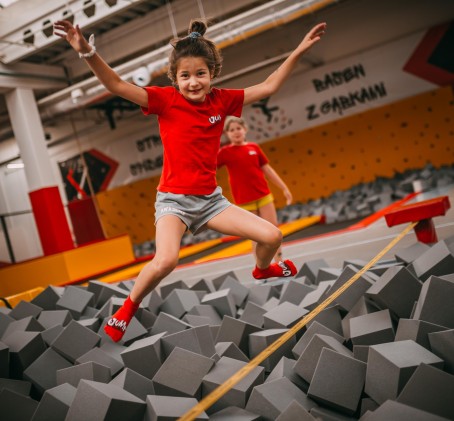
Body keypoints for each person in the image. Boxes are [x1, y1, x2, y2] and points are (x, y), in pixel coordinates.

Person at [54, 18, 326, 342]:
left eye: (200, 74)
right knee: (166, 259)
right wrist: (87, 52)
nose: (193, 82)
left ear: (212, 74)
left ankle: (262, 268)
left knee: (273, 236)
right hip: (173, 201)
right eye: (185, 76)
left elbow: (268, 86)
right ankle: (128, 306)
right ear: (175, 77)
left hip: (211, 202)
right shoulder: (164, 101)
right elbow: (115, 85)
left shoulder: (222, 101)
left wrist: (298, 50)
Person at [218, 116, 293, 262]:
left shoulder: (254, 147)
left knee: (274, 231)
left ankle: (279, 263)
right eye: (231, 130)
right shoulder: (224, 152)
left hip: (264, 196)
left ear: (245, 129)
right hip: (244, 200)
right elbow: (208, 166)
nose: (236, 132)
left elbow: (268, 170)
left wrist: (284, 188)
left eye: (238, 128)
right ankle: (261, 266)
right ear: (227, 134)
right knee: (256, 236)